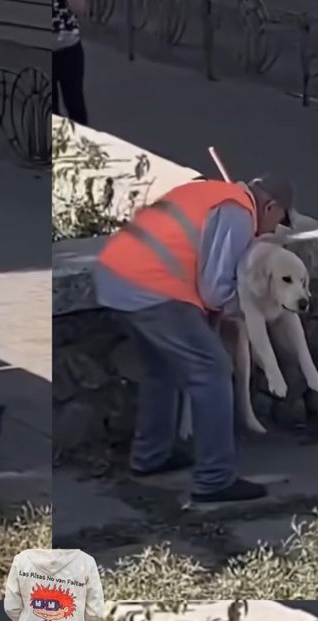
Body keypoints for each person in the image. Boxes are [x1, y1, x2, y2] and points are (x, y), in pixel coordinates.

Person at [93, 174, 298, 504]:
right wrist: (253, 305)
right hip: (152, 288)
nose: (274, 230)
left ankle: (150, 458)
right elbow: (215, 289)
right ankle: (214, 479)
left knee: (161, 370)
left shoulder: (213, 193)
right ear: (271, 205)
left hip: (116, 277)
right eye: (280, 220)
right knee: (213, 371)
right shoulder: (238, 211)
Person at [53, 0, 89, 125]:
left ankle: (78, 141)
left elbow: (79, 8)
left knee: (75, 105)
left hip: (68, 46)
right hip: (65, 45)